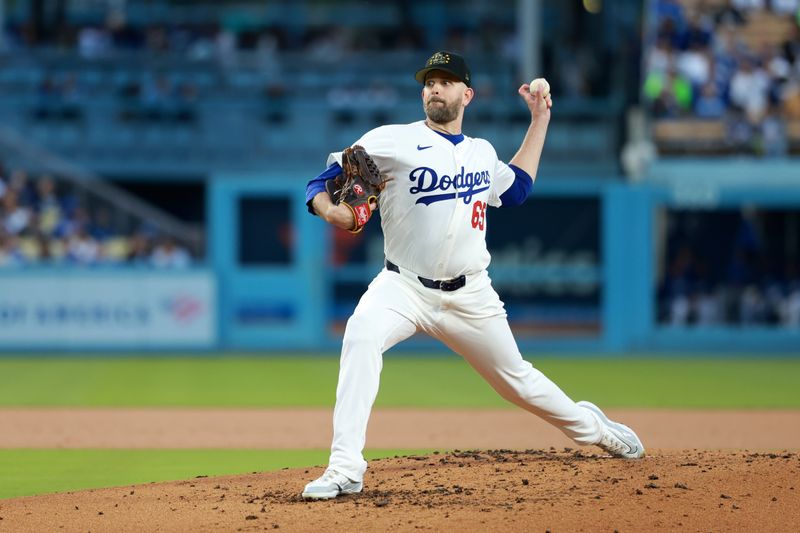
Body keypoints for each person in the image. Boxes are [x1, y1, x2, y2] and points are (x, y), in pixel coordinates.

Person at [302, 51, 645, 500]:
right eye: (429, 81)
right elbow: (319, 183)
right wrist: (332, 211)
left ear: (467, 94)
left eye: (445, 81)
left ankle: (593, 429)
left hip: (470, 293)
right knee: (361, 335)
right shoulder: (390, 141)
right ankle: (346, 468)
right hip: (402, 286)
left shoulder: (482, 153)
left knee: (516, 382)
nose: (434, 88)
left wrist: (539, 119)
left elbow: (518, 189)